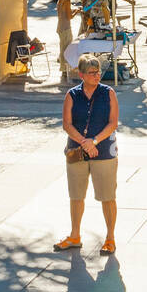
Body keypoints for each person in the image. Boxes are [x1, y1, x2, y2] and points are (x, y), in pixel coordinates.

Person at [56, 54, 119, 255]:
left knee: (107, 196)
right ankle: (75, 235)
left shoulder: (108, 93)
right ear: (81, 74)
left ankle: (110, 238)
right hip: (77, 151)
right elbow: (67, 124)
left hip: (104, 151)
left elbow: (113, 123)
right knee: (76, 196)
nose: (97, 75)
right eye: (92, 72)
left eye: (98, 71)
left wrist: (94, 141)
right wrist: (85, 143)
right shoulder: (72, 95)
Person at [56, 0, 81, 81]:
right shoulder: (66, 1)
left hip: (60, 27)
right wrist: (76, 12)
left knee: (63, 48)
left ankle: (64, 69)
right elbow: (69, 16)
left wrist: (73, 10)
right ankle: (64, 69)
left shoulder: (60, 0)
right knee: (65, 49)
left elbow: (64, 13)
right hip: (65, 28)